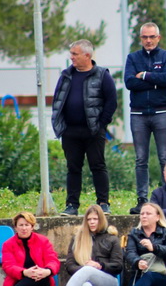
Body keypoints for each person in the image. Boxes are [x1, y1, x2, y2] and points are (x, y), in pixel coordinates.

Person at [50, 39, 118, 216]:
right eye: (71, 53)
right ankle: (71, 205)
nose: (71, 57)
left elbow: (111, 102)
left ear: (87, 55)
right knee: (73, 168)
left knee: (98, 166)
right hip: (70, 131)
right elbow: (58, 100)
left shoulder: (102, 75)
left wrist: (101, 125)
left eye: (75, 54)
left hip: (93, 131)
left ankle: (103, 203)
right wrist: (60, 125)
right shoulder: (66, 75)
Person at [124, 22, 166, 214]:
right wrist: (155, 81)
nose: (148, 40)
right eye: (145, 37)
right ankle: (142, 200)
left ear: (158, 37)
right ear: (141, 39)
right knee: (140, 159)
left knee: (165, 157)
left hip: (162, 112)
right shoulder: (132, 58)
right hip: (138, 114)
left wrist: (145, 75)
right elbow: (129, 82)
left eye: (152, 37)